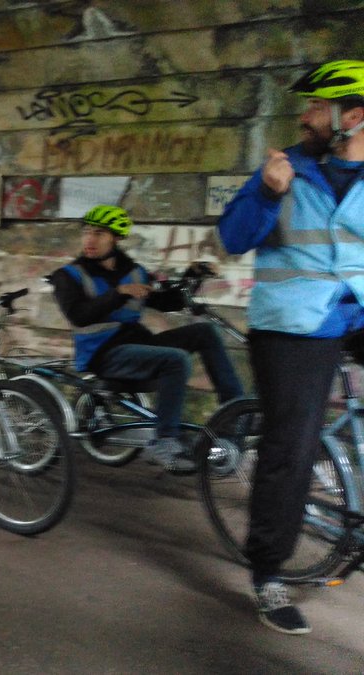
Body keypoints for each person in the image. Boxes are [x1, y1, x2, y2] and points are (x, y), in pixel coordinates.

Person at [218, 59, 364, 635]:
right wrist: (264, 193)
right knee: (293, 445)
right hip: (291, 326)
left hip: (353, 313)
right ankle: (267, 573)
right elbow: (232, 238)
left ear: (353, 116)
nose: (304, 116)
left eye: (315, 107)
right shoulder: (286, 170)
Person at [49, 205, 244, 473]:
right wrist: (119, 293)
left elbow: (166, 302)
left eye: (99, 233)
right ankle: (164, 442)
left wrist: (193, 276)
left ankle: (235, 414)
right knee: (175, 360)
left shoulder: (135, 271)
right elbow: (78, 315)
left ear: (116, 238)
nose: (90, 240)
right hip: (102, 355)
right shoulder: (68, 276)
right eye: (87, 232)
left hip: (136, 344)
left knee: (205, 332)